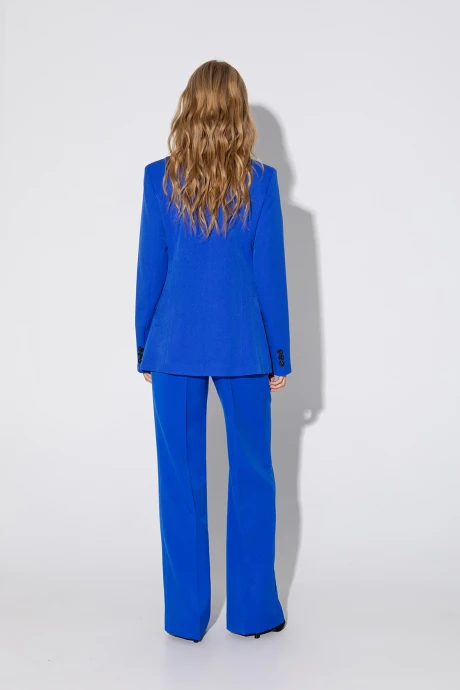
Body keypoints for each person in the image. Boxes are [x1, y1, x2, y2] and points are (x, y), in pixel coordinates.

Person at [135, 60, 291, 643]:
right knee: (253, 478)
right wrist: (278, 354)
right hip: (245, 347)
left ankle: (185, 618)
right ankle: (252, 614)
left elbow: (151, 270)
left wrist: (144, 345)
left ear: (190, 106)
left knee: (179, 482)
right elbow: (269, 276)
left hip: (173, 345)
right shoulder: (261, 182)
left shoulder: (160, 178)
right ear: (238, 109)